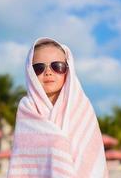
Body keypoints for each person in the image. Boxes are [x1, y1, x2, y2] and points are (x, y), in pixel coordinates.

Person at [7, 37, 108, 178]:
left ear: (68, 69)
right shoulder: (27, 109)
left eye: (57, 66)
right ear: (30, 72)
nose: (48, 72)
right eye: (39, 68)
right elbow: (24, 163)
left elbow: (91, 157)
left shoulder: (82, 108)